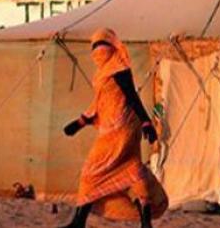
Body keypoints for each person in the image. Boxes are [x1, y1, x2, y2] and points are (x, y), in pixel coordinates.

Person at [61, 28, 168, 228]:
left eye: (101, 45)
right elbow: (101, 102)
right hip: (115, 128)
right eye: (94, 46)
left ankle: (79, 222)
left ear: (112, 46)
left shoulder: (118, 68)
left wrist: (146, 122)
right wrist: (80, 123)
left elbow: (131, 96)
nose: (97, 50)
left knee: (91, 171)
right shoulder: (103, 72)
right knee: (133, 170)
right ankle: (146, 224)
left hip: (120, 130)